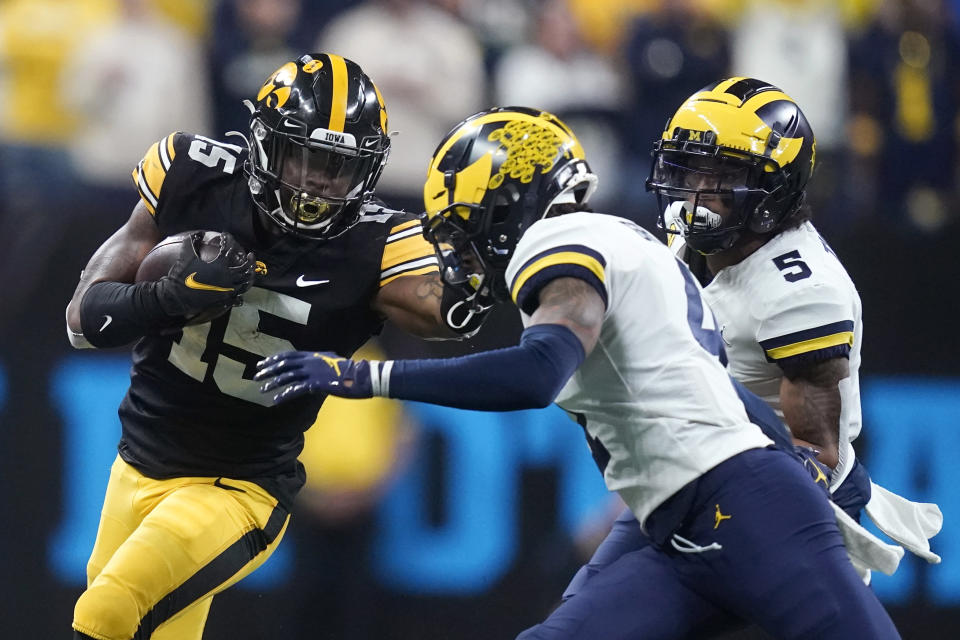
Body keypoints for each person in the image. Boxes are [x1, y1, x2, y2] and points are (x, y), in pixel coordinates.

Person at [255, 107, 901, 639]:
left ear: (506, 202)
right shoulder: (632, 244)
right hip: (681, 520)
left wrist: (363, 378)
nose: (460, 253)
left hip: (736, 501)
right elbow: (727, 400)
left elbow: (539, 373)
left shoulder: (556, 242)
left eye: (463, 227)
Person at [64, 52, 487, 640]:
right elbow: (83, 319)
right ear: (266, 144)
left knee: (106, 611)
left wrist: (483, 259)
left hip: (238, 490)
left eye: (338, 168)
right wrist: (166, 298)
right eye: (307, 157)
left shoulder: (376, 244)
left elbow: (450, 317)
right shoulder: (193, 173)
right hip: (135, 463)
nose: (318, 181)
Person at [646, 77, 942, 576]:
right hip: (700, 476)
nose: (698, 191)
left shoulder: (798, 291)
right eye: (692, 171)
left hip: (771, 508)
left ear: (772, 188)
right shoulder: (708, 240)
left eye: (721, 176)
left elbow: (814, 460)